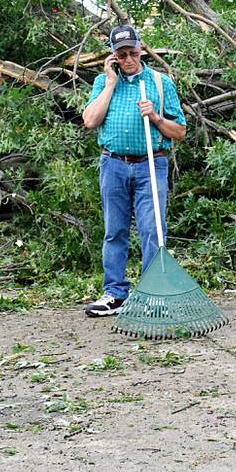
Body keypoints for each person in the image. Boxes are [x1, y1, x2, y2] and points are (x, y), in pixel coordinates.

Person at [80, 24, 187, 317]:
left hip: (151, 164)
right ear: (113, 56)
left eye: (132, 52)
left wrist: (153, 116)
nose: (128, 59)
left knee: (153, 231)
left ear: (141, 49)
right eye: (121, 54)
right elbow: (90, 121)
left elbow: (179, 131)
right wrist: (111, 83)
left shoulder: (160, 83)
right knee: (115, 230)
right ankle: (115, 294)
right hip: (113, 164)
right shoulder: (103, 83)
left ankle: (152, 294)